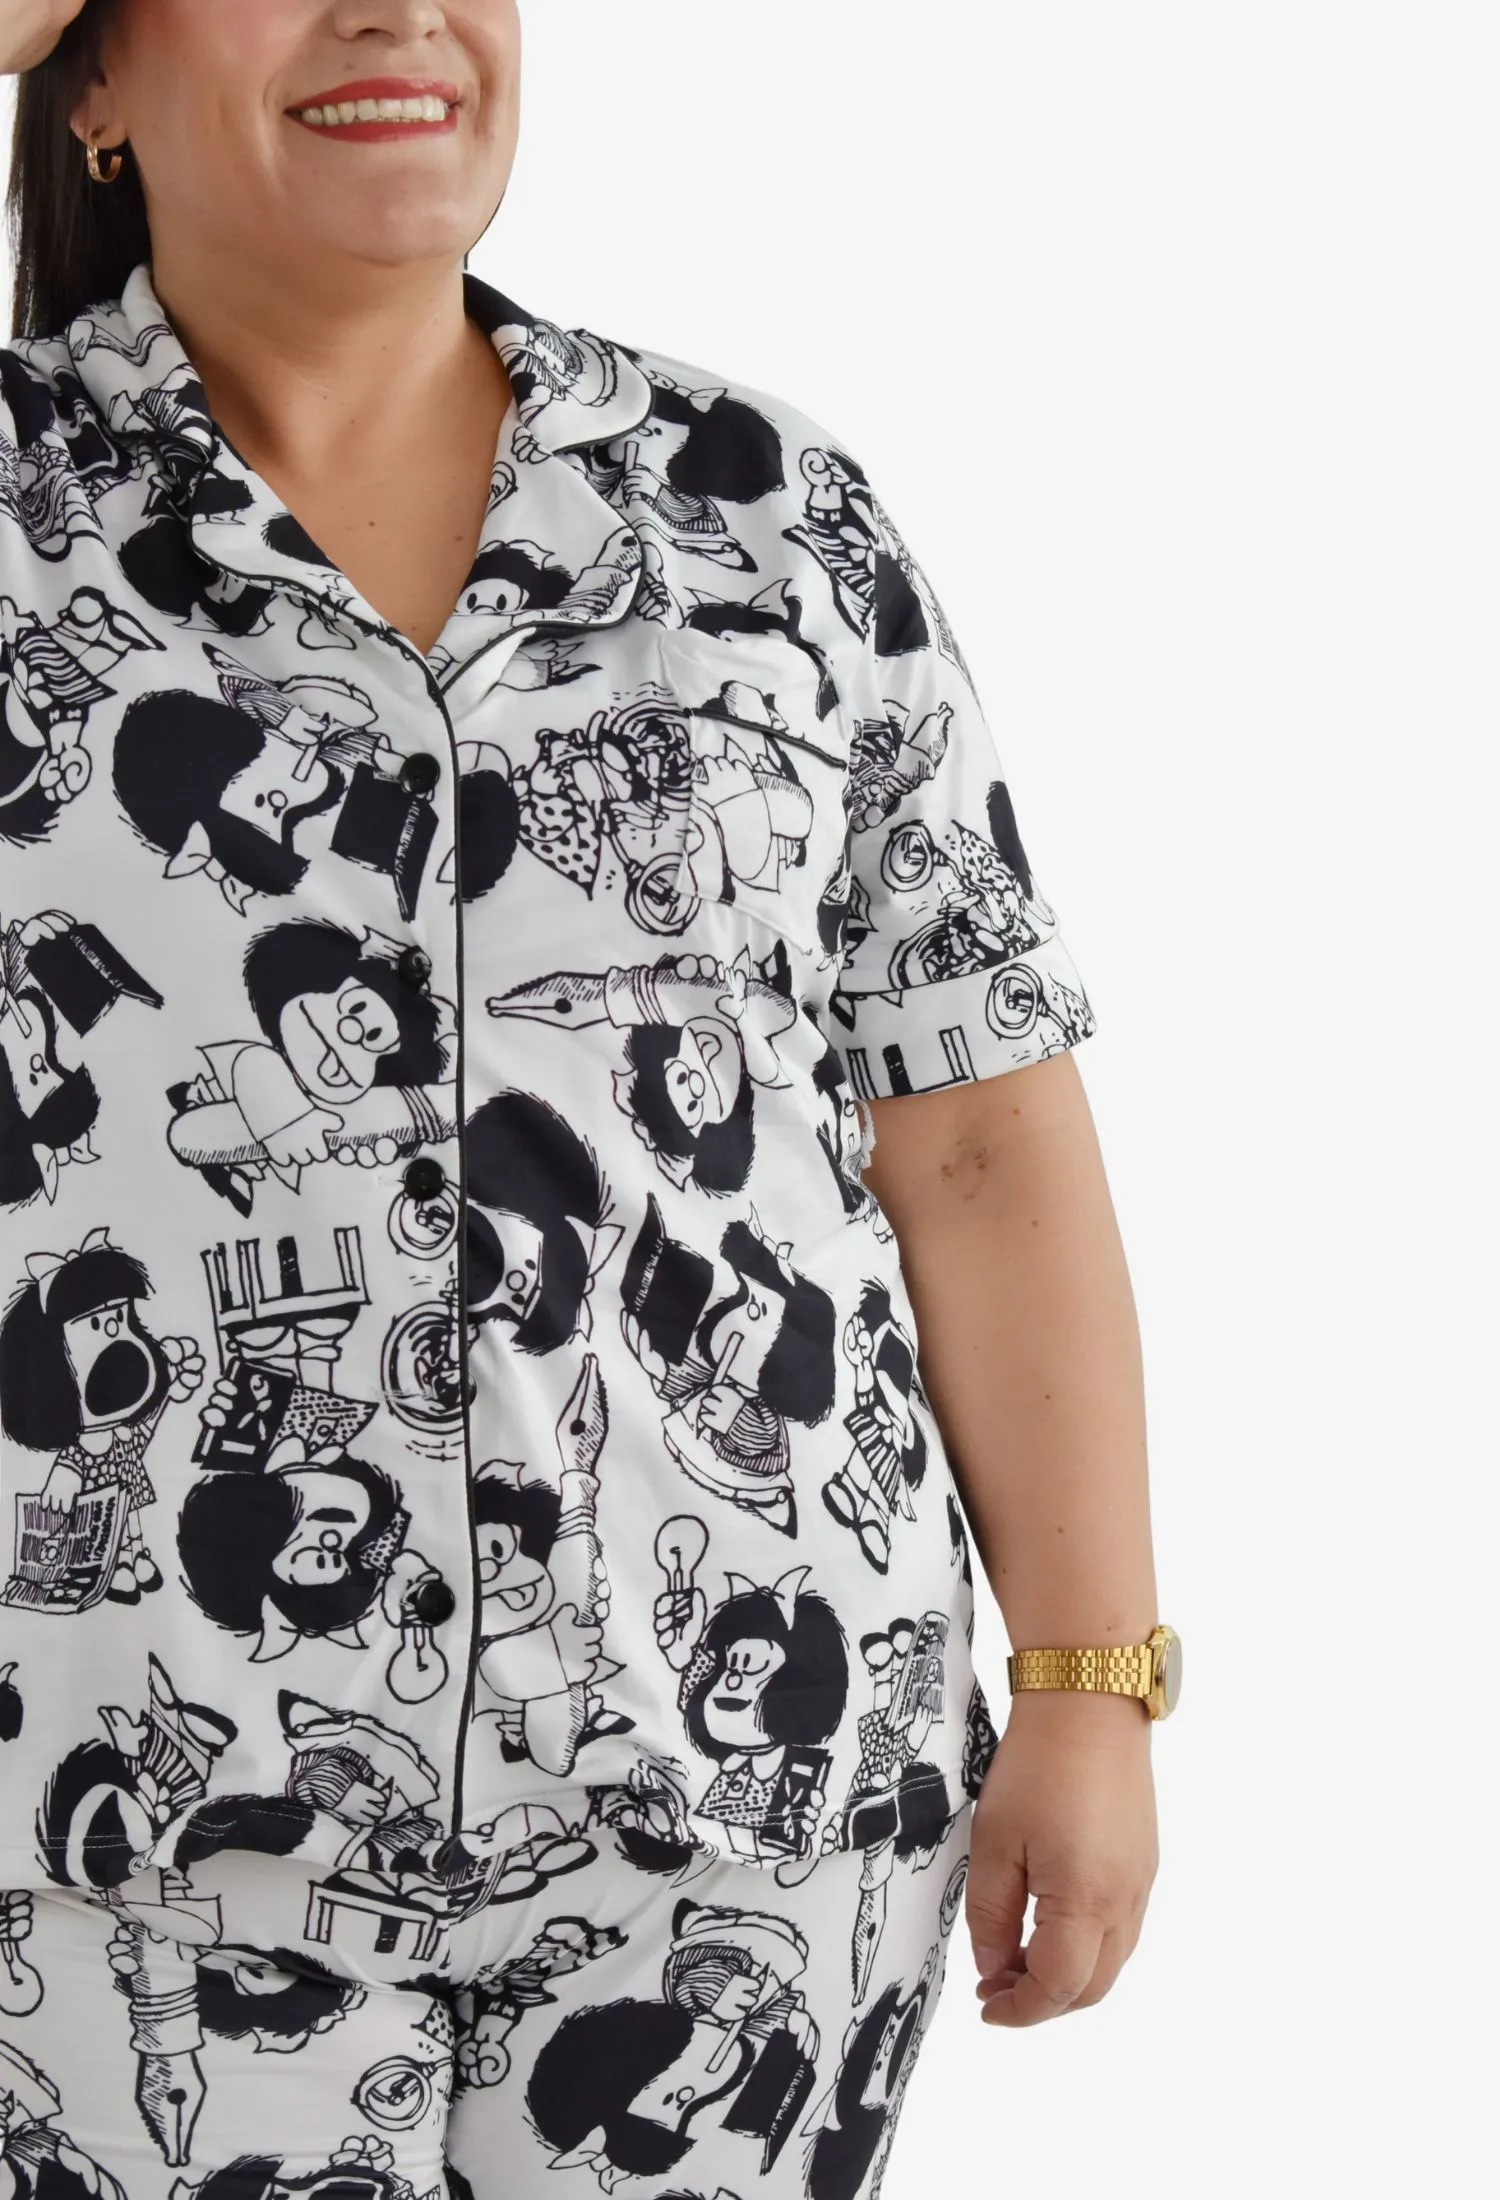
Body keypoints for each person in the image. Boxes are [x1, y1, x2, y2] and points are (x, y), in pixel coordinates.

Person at [0, 4, 1177, 2195]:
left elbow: (979, 1126)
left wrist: (1092, 1672)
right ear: (87, 74)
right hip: (110, 1874)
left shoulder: (768, 514)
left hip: (753, 1838)